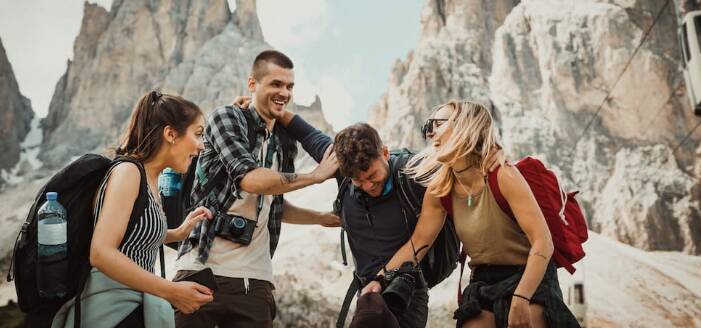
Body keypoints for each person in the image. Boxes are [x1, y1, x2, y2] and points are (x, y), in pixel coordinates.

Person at [271, 110, 505, 327]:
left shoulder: (415, 171)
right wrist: (267, 108)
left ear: (385, 153)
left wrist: (493, 151)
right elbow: (307, 133)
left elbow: (463, 159)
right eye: (358, 181)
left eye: (373, 176)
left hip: (407, 288)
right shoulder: (342, 167)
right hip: (367, 290)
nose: (368, 186)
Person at [173, 50, 340, 328]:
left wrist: (320, 219)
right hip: (201, 272)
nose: (284, 92)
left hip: (256, 282)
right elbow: (250, 179)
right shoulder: (226, 118)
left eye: (289, 86)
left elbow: (272, 201)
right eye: (275, 84)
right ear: (252, 84)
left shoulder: (284, 142)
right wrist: (314, 177)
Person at [380, 101, 580, 327]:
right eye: (428, 126)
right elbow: (417, 244)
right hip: (483, 281)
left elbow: (543, 243)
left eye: (438, 124)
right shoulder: (440, 190)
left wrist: (521, 297)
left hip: (530, 276)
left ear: (466, 125)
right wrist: (377, 280)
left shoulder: (502, 175)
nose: (430, 132)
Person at [53, 91, 215, 327]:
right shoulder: (128, 172)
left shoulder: (150, 180)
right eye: (198, 134)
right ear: (170, 134)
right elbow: (101, 253)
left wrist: (177, 233)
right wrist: (172, 291)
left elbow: (130, 234)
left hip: (133, 307)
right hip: (111, 312)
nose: (201, 146)